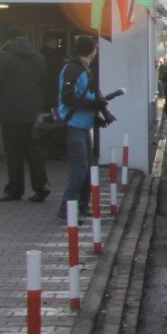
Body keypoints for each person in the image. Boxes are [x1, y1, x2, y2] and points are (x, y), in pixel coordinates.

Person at [0, 27, 51, 202]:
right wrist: (43, 108)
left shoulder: (3, 57)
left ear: (8, 39)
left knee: (14, 153)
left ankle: (14, 190)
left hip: (10, 113)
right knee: (34, 151)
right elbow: (45, 84)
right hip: (33, 113)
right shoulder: (39, 57)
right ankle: (42, 186)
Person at [56, 35, 102, 221]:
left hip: (83, 123)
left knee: (87, 166)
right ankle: (67, 208)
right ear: (91, 50)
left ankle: (82, 205)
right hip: (74, 123)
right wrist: (92, 105)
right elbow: (68, 98)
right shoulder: (74, 69)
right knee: (80, 166)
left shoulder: (81, 68)